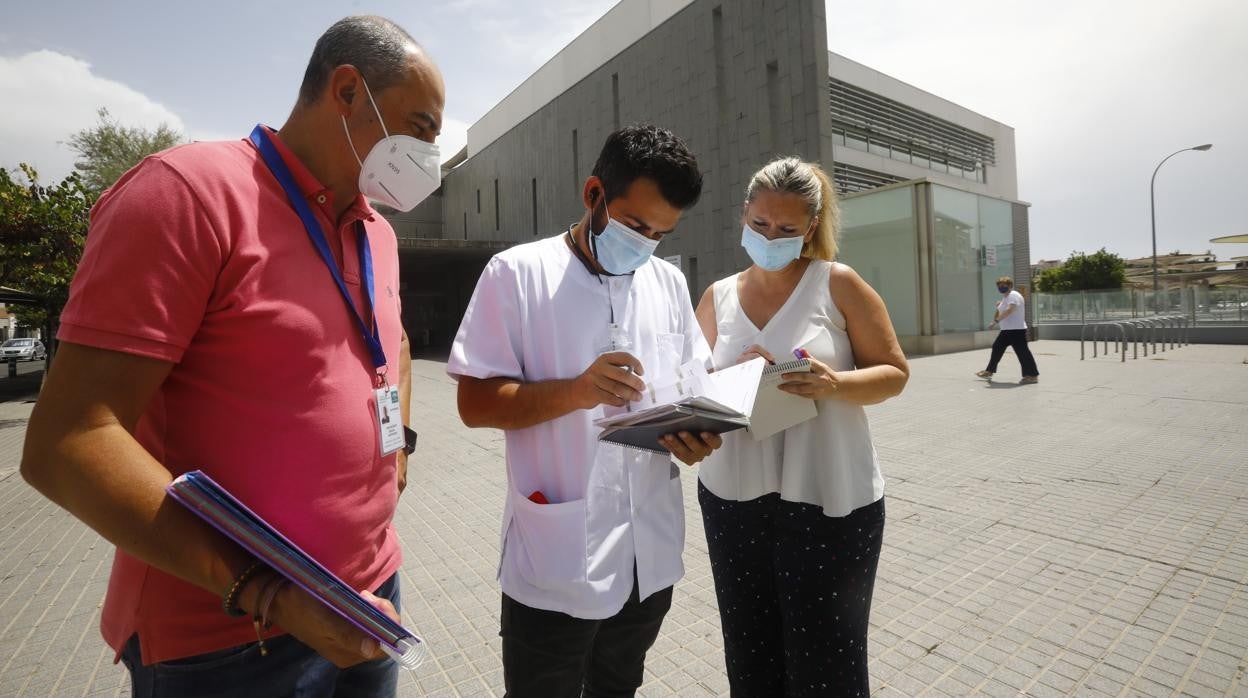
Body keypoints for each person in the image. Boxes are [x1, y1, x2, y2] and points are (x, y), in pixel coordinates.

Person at [20, 16, 443, 696]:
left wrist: (396, 448)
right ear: (346, 92)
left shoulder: (376, 233)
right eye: (420, 127)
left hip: (369, 602)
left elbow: (390, 341)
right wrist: (270, 593)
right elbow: (68, 441)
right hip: (227, 645)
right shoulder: (186, 195)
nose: (429, 153)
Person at [448, 124, 721, 697]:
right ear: (593, 193)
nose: (645, 244)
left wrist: (696, 432)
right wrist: (574, 392)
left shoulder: (666, 281)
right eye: (634, 225)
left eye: (660, 233)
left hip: (648, 557)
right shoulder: (518, 274)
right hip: (558, 556)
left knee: (619, 688)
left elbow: (694, 383)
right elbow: (473, 404)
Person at [693, 157, 909, 696]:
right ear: (744, 213)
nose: (771, 236)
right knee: (750, 657)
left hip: (828, 499)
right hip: (734, 500)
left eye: (787, 229)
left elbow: (894, 374)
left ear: (811, 227)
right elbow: (693, 389)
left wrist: (833, 383)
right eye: (761, 224)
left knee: (827, 668)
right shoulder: (716, 296)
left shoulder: (837, 283)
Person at [976, 276, 1039, 383]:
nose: (1001, 287)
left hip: (1016, 330)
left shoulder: (1013, 295)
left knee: (1022, 352)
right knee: (997, 348)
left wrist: (996, 321)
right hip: (1007, 330)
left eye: (1003, 285)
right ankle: (989, 371)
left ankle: (1032, 375)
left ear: (1010, 285)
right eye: (999, 286)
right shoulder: (1006, 297)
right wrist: (999, 305)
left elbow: (1010, 310)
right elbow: (1003, 310)